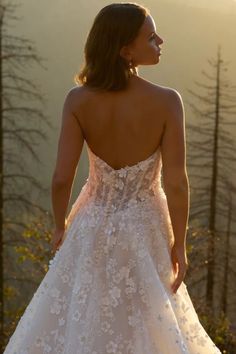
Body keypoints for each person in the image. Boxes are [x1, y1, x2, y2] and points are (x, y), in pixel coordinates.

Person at [4, 3, 222, 354]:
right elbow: (177, 183)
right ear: (125, 50)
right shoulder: (167, 102)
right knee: (149, 317)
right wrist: (179, 244)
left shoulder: (78, 101)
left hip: (91, 224)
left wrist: (60, 226)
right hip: (147, 225)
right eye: (151, 37)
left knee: (85, 314)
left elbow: (62, 178)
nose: (161, 40)